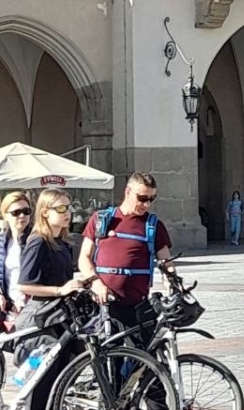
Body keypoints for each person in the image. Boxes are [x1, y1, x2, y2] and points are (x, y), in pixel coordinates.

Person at [78, 169, 175, 403]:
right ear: (127, 192)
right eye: (142, 198)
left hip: (138, 308)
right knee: (110, 371)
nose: (146, 204)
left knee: (150, 369)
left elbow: (166, 262)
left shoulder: (153, 226)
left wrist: (172, 283)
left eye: (151, 199)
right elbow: (84, 258)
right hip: (105, 308)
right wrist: (95, 282)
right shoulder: (102, 219)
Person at [17, 188, 85, 409]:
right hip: (41, 318)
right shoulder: (38, 242)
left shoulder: (64, 243)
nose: (68, 213)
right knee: (42, 381)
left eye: (70, 207)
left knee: (61, 375)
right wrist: (60, 290)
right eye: (61, 208)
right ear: (45, 212)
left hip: (60, 316)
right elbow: (24, 284)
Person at [1, 190, 32, 327]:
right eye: (16, 212)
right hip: (8, 308)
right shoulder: (2, 242)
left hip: (31, 307)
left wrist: (24, 299)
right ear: (5, 215)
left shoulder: (36, 241)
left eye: (26, 211)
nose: (22, 216)